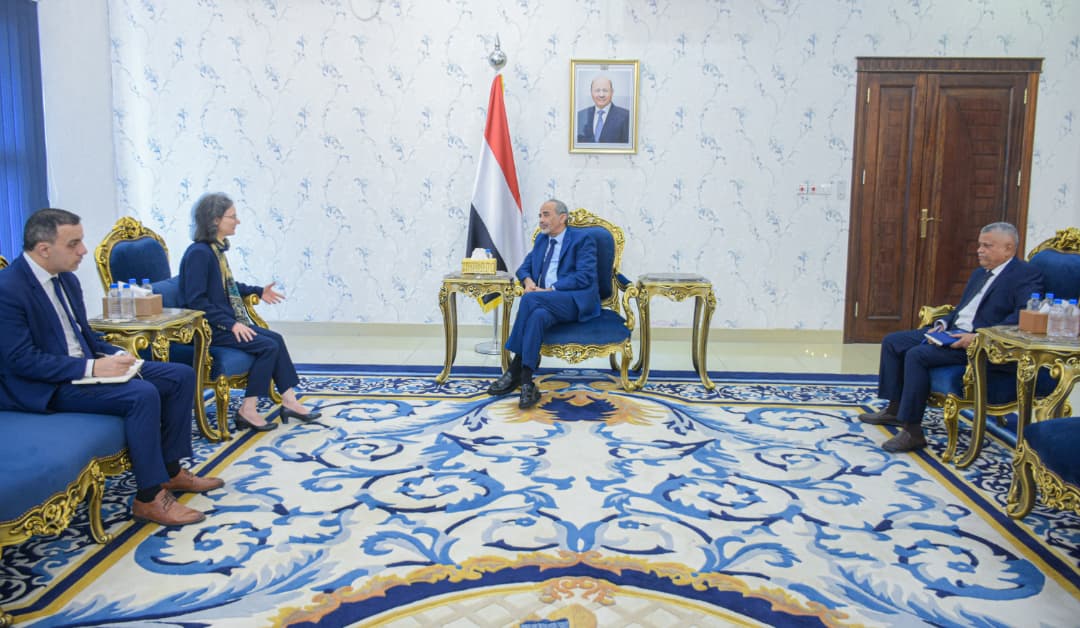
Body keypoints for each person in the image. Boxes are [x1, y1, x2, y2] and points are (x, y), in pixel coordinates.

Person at [0, 208, 222, 527]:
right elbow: (22, 360)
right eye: (73, 244)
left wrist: (118, 354)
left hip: (82, 368)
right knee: (141, 395)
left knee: (179, 376)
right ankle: (148, 498)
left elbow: (86, 336)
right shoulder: (8, 288)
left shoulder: (67, 280)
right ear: (44, 249)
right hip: (45, 386)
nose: (83, 251)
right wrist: (92, 369)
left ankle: (170, 471)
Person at [859, 222, 1044, 453]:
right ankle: (895, 409)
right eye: (979, 245)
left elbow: (1022, 316)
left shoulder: (1025, 275)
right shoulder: (980, 274)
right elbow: (962, 309)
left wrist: (976, 337)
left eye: (987, 246)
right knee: (893, 342)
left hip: (979, 344)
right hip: (952, 331)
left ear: (1008, 248)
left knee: (917, 355)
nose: (979, 250)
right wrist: (942, 323)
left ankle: (912, 431)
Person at [179, 193, 321, 432]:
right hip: (210, 329)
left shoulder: (214, 251)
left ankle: (289, 401)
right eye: (232, 217)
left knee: (275, 338)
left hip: (223, 323)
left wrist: (258, 291)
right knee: (267, 346)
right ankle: (248, 409)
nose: (238, 221)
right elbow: (197, 301)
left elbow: (226, 287)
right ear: (215, 220)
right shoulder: (199, 254)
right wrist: (231, 324)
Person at [487, 199, 601, 408]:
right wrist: (528, 282)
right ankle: (526, 381)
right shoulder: (542, 240)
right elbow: (523, 268)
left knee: (530, 299)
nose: (541, 220)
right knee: (537, 315)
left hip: (573, 301)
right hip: (544, 302)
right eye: (540, 215)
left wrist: (550, 290)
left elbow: (584, 276)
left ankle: (514, 368)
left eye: (546, 214)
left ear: (562, 218)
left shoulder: (583, 239)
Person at [576, 76, 630, 144]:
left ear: (612, 92)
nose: (601, 95)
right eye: (597, 90)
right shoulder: (580, 115)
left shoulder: (626, 116)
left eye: (605, 90)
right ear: (591, 92)